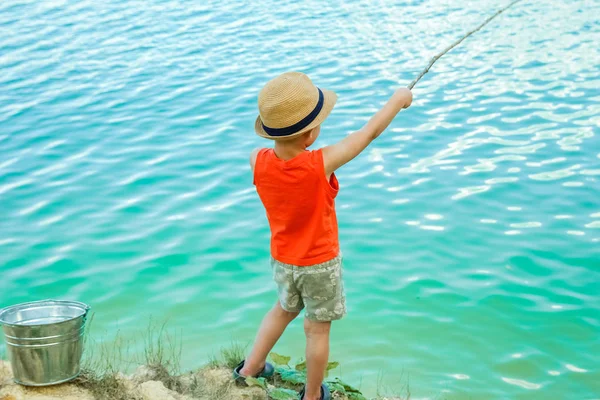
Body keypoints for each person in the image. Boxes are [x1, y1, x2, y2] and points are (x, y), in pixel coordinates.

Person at [233, 71, 412, 400]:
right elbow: (368, 133)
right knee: (317, 330)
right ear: (310, 134)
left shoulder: (255, 160)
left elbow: (282, 164)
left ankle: (249, 369)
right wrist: (398, 100)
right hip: (319, 264)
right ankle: (313, 395)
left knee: (282, 310)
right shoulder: (321, 164)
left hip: (283, 260)